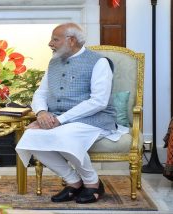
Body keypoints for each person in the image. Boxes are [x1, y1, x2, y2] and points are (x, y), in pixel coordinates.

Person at [16, 23, 118, 204]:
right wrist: (41, 113)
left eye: (55, 39)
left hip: (94, 119)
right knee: (30, 136)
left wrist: (60, 120)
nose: (50, 43)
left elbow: (99, 101)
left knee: (65, 136)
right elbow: (41, 93)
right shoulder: (53, 62)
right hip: (59, 118)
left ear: (71, 41)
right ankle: (73, 181)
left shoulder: (98, 62)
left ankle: (93, 183)